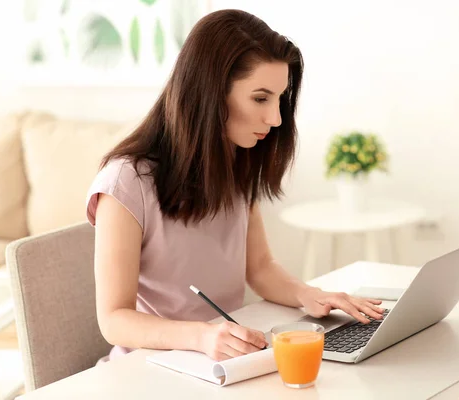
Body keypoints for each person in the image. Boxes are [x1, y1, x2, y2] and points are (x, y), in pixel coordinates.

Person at [86, 9, 384, 363]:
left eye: (279, 100)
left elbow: (258, 267)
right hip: (149, 369)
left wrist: (310, 295)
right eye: (260, 98)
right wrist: (202, 336)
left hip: (224, 362)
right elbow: (114, 320)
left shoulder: (236, 162)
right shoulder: (126, 182)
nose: (275, 119)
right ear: (209, 91)